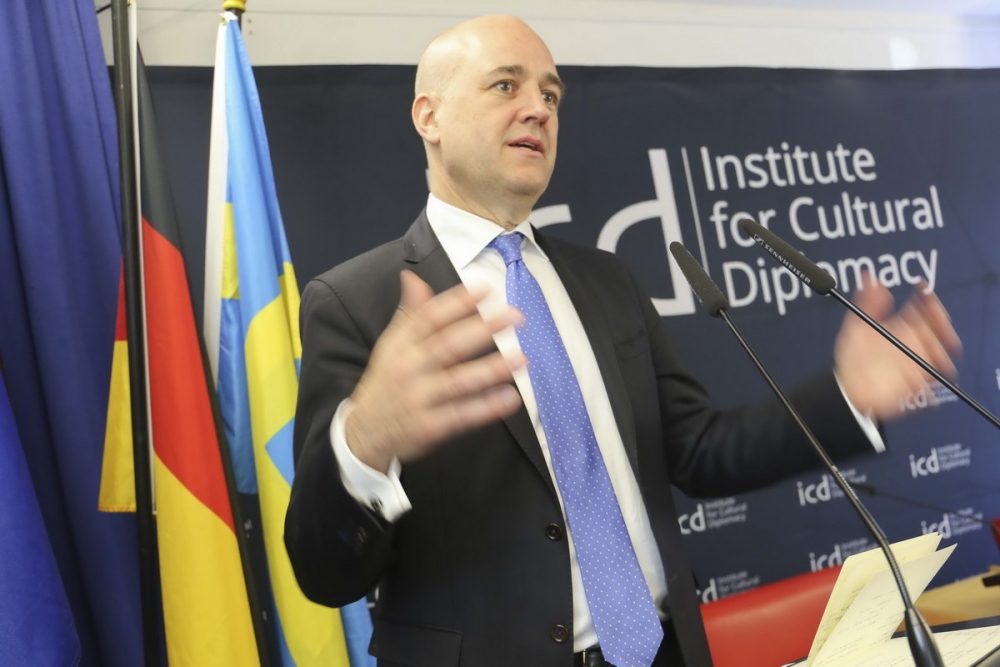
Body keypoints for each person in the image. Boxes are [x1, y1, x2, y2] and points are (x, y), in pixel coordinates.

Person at [285, 14, 960, 667]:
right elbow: (323, 571)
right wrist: (365, 443)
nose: (538, 108)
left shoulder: (605, 279)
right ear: (428, 116)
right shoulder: (355, 302)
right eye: (506, 85)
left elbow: (700, 450)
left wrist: (846, 398)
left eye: (551, 94)